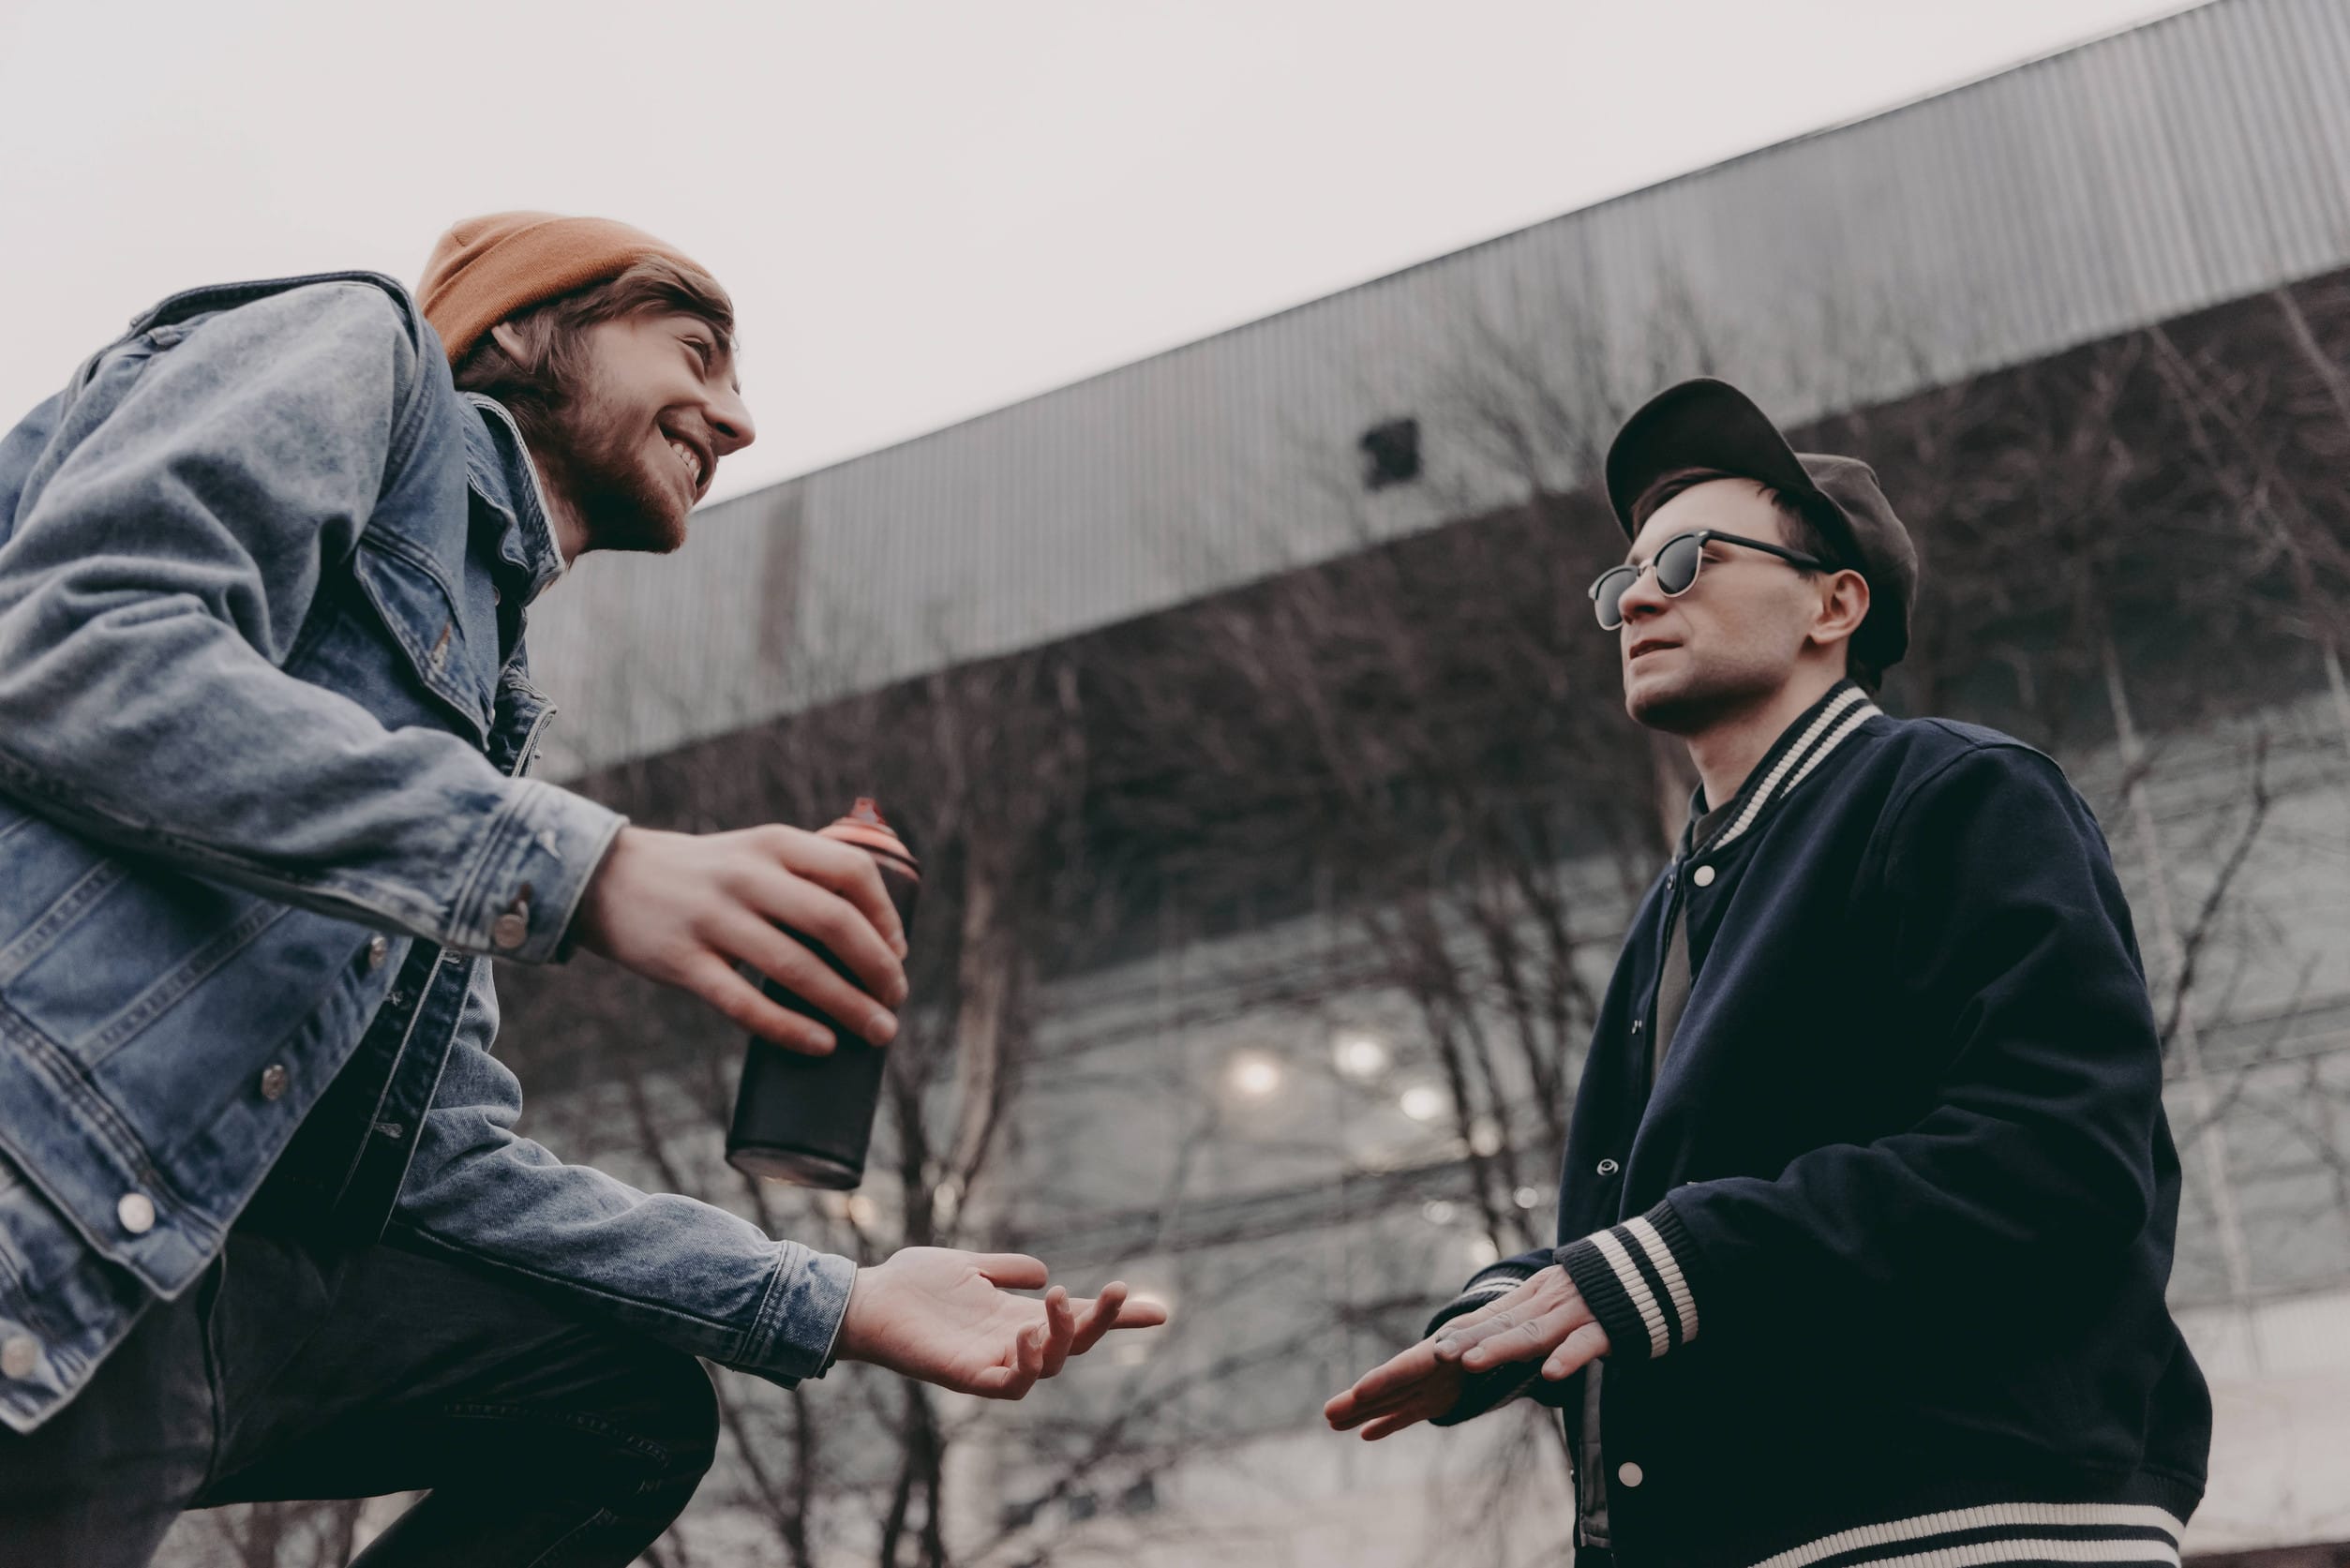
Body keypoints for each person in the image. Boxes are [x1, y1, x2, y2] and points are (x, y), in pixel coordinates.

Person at [0, 213, 1163, 1567]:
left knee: (616, 1405)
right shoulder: (356, 346)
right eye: (696, 351)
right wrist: (587, 865)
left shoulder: (472, 712)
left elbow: (440, 1161)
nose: (734, 420)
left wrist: (833, 1300)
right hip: (40, 1183)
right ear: (514, 325)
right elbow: (77, 642)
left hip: (148, 1292)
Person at [1325, 378, 2210, 1566]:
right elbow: (1688, 1232)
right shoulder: (1679, 904)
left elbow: (2059, 1157)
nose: (1636, 594)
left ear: (1832, 602)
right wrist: (1523, 1303)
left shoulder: (1953, 790)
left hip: (1954, 1526)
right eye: (1622, 576)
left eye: (1687, 558)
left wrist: (1657, 1264)